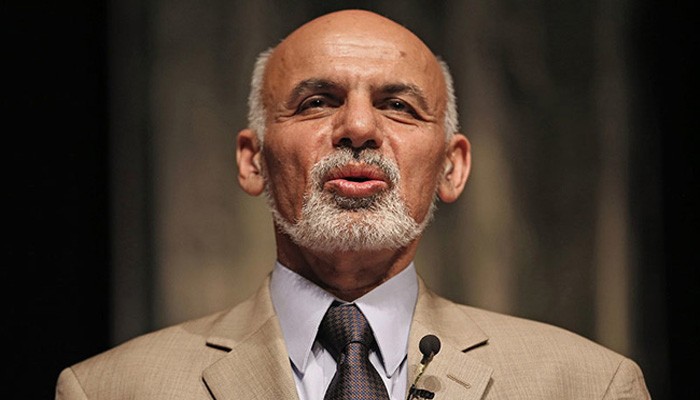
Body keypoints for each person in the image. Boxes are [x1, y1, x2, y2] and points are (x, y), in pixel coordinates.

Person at [55, 9, 650, 400]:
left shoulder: (589, 386)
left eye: (399, 106)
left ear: (452, 166)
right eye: (316, 102)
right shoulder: (110, 390)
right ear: (253, 160)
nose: (359, 128)